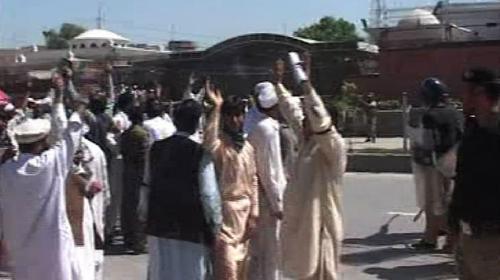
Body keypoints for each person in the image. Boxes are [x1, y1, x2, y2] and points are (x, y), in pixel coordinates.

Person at [0, 75, 85, 280]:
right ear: (40, 142)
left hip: (20, 248)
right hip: (52, 245)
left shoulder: (6, 170)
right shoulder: (51, 163)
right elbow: (70, 134)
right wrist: (70, 103)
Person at [275, 57, 347, 280]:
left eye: (309, 121)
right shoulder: (306, 141)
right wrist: (278, 83)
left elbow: (318, 117)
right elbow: (291, 111)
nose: (303, 123)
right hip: (300, 224)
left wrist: (307, 87)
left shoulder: (333, 148)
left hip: (321, 227)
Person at [145, 99, 221, 280]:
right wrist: (216, 225)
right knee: (191, 273)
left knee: (162, 272)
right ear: (197, 122)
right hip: (191, 227)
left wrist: (144, 213)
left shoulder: (156, 148)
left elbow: (147, 183)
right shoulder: (200, 153)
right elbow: (209, 194)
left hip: (159, 223)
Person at [204, 82, 259, 280]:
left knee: (243, 267)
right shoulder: (220, 145)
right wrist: (217, 108)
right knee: (227, 271)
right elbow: (208, 141)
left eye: (240, 115)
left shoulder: (247, 147)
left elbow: (253, 180)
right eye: (231, 116)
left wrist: (254, 213)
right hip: (225, 214)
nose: (236, 120)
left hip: (244, 214)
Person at [449, 68, 500, 279]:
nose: (464, 96)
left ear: (485, 95)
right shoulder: (473, 129)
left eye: (471, 91)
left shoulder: (493, 134)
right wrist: (454, 223)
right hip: (469, 234)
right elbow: (463, 181)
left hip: (492, 237)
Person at [409, 78, 463, 251]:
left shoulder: (430, 116)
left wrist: (417, 149)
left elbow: (427, 143)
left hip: (435, 163)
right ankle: (450, 237)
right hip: (453, 163)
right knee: (449, 200)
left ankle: (430, 238)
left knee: (433, 203)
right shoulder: (454, 112)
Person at [247, 82, 286, 280]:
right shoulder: (266, 129)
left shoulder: (251, 120)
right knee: (271, 250)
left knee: (256, 250)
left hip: (255, 194)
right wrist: (277, 202)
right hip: (266, 197)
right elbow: (268, 170)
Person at [120, 108, 149, 254]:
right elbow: (144, 156)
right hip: (139, 174)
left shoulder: (125, 134)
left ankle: (128, 238)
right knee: (140, 208)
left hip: (128, 172)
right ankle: (139, 242)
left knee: (128, 206)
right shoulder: (142, 134)